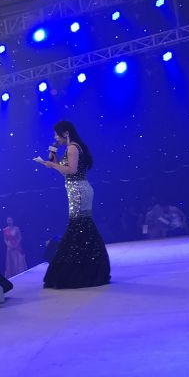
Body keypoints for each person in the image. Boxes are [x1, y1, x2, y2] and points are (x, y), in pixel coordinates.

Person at [37, 120, 111, 288]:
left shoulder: (72, 148)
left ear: (66, 133)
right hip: (76, 189)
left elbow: (72, 170)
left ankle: (83, 270)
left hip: (78, 191)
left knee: (79, 226)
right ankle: (91, 266)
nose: (56, 138)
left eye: (57, 135)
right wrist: (53, 159)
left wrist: (52, 164)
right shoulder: (72, 147)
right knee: (82, 226)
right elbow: (67, 172)